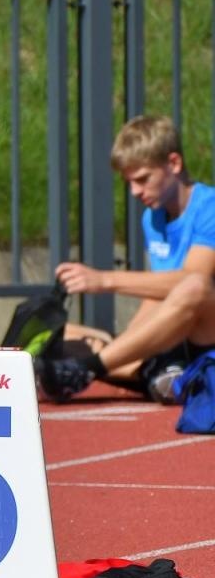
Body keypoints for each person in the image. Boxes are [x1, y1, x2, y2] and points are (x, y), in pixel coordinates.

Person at [37, 115, 215, 403]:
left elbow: (193, 283)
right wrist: (128, 345)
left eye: (143, 179)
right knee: (57, 332)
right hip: (177, 337)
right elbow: (156, 295)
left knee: (194, 286)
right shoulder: (153, 218)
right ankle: (151, 370)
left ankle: (90, 368)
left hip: (207, 332)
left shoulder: (210, 208)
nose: (135, 192)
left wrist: (105, 279)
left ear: (174, 164)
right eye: (129, 182)